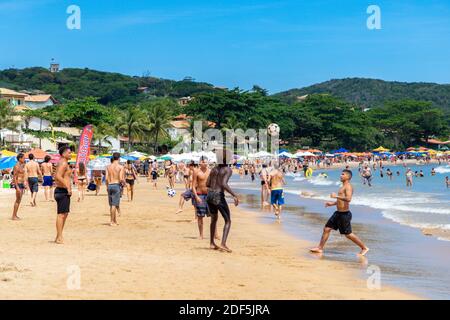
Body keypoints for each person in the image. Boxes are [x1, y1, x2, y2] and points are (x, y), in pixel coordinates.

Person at [310, 170, 369, 256]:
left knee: (348, 234)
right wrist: (332, 203)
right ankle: (320, 248)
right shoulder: (343, 186)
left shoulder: (348, 186)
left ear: (348, 177)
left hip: (344, 215)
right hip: (338, 213)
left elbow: (348, 199)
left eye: (343, 174)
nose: (340, 176)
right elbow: (341, 200)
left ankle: (364, 248)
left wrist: (336, 196)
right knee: (327, 228)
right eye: (341, 174)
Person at [206, 148, 239, 253]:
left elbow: (207, 183)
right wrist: (234, 195)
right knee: (228, 220)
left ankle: (211, 243)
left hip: (209, 195)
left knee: (213, 219)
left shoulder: (214, 169)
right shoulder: (227, 169)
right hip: (218, 195)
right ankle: (223, 244)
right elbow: (224, 184)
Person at [54, 147, 72, 244]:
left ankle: (58, 236)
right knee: (61, 215)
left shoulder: (63, 162)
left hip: (62, 191)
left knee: (64, 214)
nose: (70, 154)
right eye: (69, 153)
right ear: (63, 153)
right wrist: (67, 187)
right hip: (62, 191)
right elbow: (57, 176)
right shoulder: (64, 163)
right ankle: (59, 237)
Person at [192, 157, 211, 239]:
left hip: (210, 195)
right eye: (203, 162)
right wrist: (196, 196)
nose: (205, 163)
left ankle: (215, 234)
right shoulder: (196, 172)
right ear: (200, 162)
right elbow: (193, 186)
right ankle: (201, 235)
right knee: (200, 216)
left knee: (213, 215)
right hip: (200, 195)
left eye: (206, 162)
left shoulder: (210, 171)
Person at [106, 152, 125, 226]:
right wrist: (123, 183)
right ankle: (111, 221)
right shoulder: (120, 167)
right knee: (114, 204)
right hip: (116, 185)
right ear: (119, 158)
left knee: (111, 205)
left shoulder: (108, 167)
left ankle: (114, 220)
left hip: (110, 185)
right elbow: (120, 178)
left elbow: (107, 178)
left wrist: (107, 187)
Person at [11, 153, 26, 220]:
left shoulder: (21, 165)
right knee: (17, 200)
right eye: (23, 158)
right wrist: (17, 187)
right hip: (18, 184)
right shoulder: (16, 166)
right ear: (20, 159)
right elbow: (14, 177)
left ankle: (15, 215)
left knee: (19, 200)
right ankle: (13, 216)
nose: (24, 159)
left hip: (21, 184)